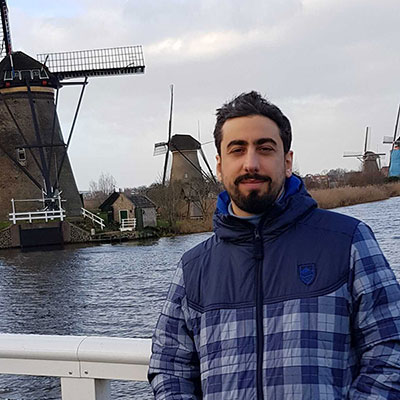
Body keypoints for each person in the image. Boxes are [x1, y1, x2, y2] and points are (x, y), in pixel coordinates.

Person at [148, 91, 400, 399]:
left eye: (265, 149)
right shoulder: (194, 268)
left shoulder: (348, 242)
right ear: (220, 165)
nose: (251, 163)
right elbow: (170, 367)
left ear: (287, 161)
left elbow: (391, 349)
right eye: (237, 150)